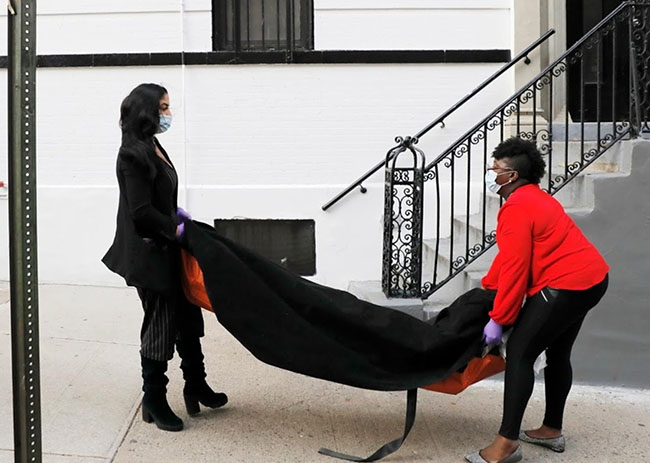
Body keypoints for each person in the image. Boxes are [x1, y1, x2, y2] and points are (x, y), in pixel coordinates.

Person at [465, 137, 609, 463]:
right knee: (558, 353)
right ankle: (551, 429)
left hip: (565, 285)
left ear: (511, 176)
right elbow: (513, 255)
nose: (490, 172)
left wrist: (499, 318)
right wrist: (489, 286)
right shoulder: (536, 197)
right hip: (593, 279)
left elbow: (516, 269)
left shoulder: (516, 208)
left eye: (495, 168)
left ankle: (506, 444)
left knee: (519, 352)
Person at [102, 83, 227, 432]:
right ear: (147, 111)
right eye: (163, 107)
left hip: (168, 247)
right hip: (149, 253)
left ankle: (196, 384)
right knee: (160, 324)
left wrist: (178, 217)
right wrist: (176, 228)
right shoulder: (132, 155)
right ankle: (154, 400)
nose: (169, 114)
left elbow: (160, 199)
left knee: (187, 316)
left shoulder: (154, 146)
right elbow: (140, 211)